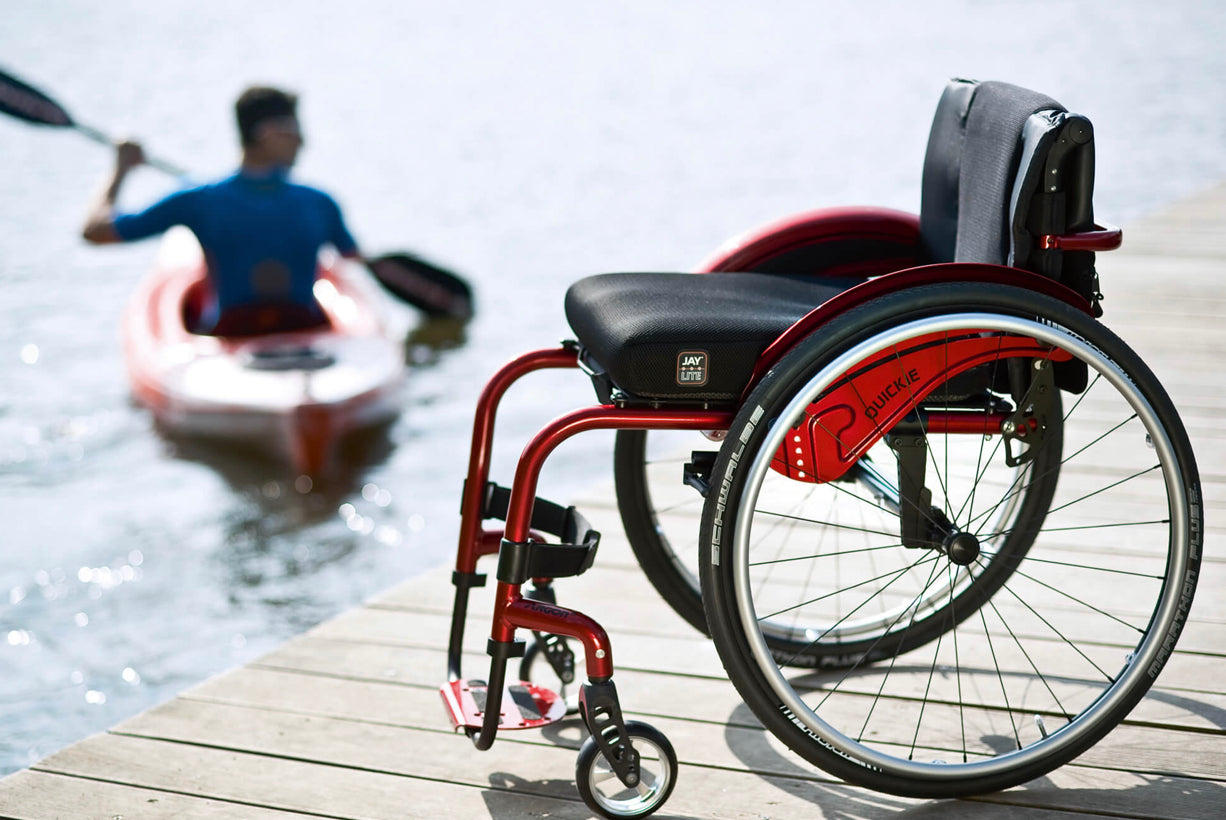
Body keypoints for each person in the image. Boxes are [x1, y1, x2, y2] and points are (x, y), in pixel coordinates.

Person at [82, 86, 359, 335]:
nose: (302, 142)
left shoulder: (198, 200)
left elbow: (95, 231)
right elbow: (353, 258)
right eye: (295, 133)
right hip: (304, 329)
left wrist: (121, 168)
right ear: (269, 132)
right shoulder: (321, 202)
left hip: (231, 334)